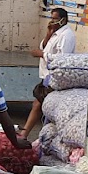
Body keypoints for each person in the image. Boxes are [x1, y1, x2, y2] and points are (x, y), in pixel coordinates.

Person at [21, 7, 76, 137]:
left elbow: (63, 58)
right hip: (47, 76)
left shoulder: (66, 35)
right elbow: (44, 46)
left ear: (63, 20)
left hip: (56, 78)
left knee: (39, 105)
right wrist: (48, 33)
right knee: (39, 104)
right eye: (51, 18)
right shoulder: (55, 33)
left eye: (55, 19)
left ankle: (26, 134)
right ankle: (25, 133)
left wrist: (42, 54)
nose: (52, 21)